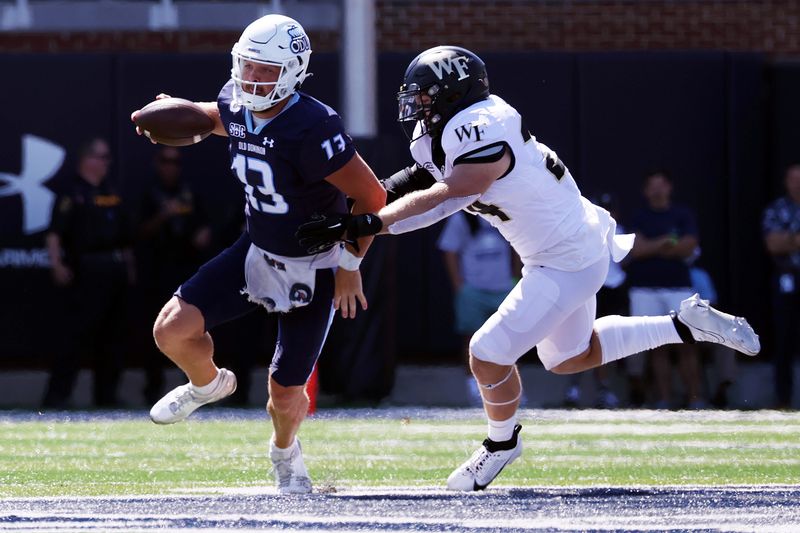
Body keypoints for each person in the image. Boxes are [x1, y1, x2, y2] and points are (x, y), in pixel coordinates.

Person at [296, 45, 760, 491]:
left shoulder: (482, 125)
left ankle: (501, 443)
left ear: (454, 94)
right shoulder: (447, 129)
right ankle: (685, 325)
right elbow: (421, 180)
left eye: (424, 95)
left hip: (565, 258)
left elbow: (453, 192)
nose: (416, 104)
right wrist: (366, 215)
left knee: (486, 353)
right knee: (567, 357)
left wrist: (371, 222)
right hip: (568, 246)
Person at [130, 14, 386, 493]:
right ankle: (208, 385)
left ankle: (284, 451)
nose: (252, 78)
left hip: (315, 264)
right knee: (171, 330)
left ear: (293, 71)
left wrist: (351, 265)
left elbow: (371, 197)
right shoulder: (235, 100)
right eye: (247, 65)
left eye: (266, 69)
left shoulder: (313, 126)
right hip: (257, 248)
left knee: (283, 393)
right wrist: (170, 114)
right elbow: (210, 117)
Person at [43, 137, 135, 408]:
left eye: (108, 158)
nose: (106, 163)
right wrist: (57, 264)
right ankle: (57, 395)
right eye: (101, 157)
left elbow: (125, 237)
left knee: (113, 335)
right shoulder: (71, 192)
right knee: (75, 335)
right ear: (87, 159)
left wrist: (129, 268)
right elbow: (54, 233)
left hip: (114, 267)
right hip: (85, 269)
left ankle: (106, 395)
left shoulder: (112, 191)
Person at [136, 146, 212, 404]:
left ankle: (195, 387)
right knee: (158, 331)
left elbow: (205, 224)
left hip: (186, 269)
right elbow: (138, 232)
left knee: (190, 328)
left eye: (175, 162)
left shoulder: (189, 191)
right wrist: (162, 216)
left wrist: (203, 234)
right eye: (166, 161)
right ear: (158, 163)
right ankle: (152, 389)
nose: (171, 167)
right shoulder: (147, 192)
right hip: (156, 269)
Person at [626, 171, 706, 409]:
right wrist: (666, 242)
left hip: (678, 288)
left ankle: (694, 399)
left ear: (669, 187)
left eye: (661, 185)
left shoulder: (682, 215)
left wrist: (654, 246)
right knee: (657, 347)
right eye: (652, 186)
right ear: (645, 191)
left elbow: (689, 245)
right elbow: (636, 250)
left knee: (686, 344)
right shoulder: (638, 217)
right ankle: (664, 399)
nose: (657, 190)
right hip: (645, 290)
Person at [437, 211, 517, 406]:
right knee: (471, 340)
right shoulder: (461, 217)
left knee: (510, 341)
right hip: (473, 291)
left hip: (505, 289)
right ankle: (474, 389)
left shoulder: (506, 210)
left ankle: (511, 389)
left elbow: (519, 244)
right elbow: (449, 250)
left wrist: (516, 279)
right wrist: (460, 287)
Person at [762, 164, 800, 409]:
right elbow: (773, 245)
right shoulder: (777, 209)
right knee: (784, 339)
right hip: (788, 278)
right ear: (786, 182)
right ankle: (783, 399)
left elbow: (783, 241)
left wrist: (791, 239)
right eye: (793, 179)